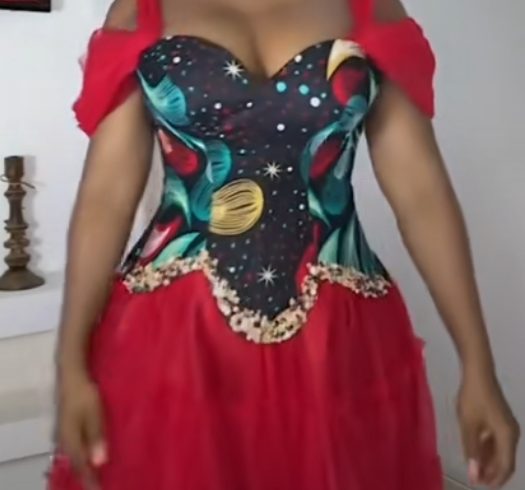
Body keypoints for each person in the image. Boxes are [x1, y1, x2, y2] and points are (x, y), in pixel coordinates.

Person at [47, 0, 520, 488]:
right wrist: (70, 360)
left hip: (337, 344)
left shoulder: (369, 8)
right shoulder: (143, 9)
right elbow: (106, 197)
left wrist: (478, 367)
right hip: (175, 340)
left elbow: (421, 195)